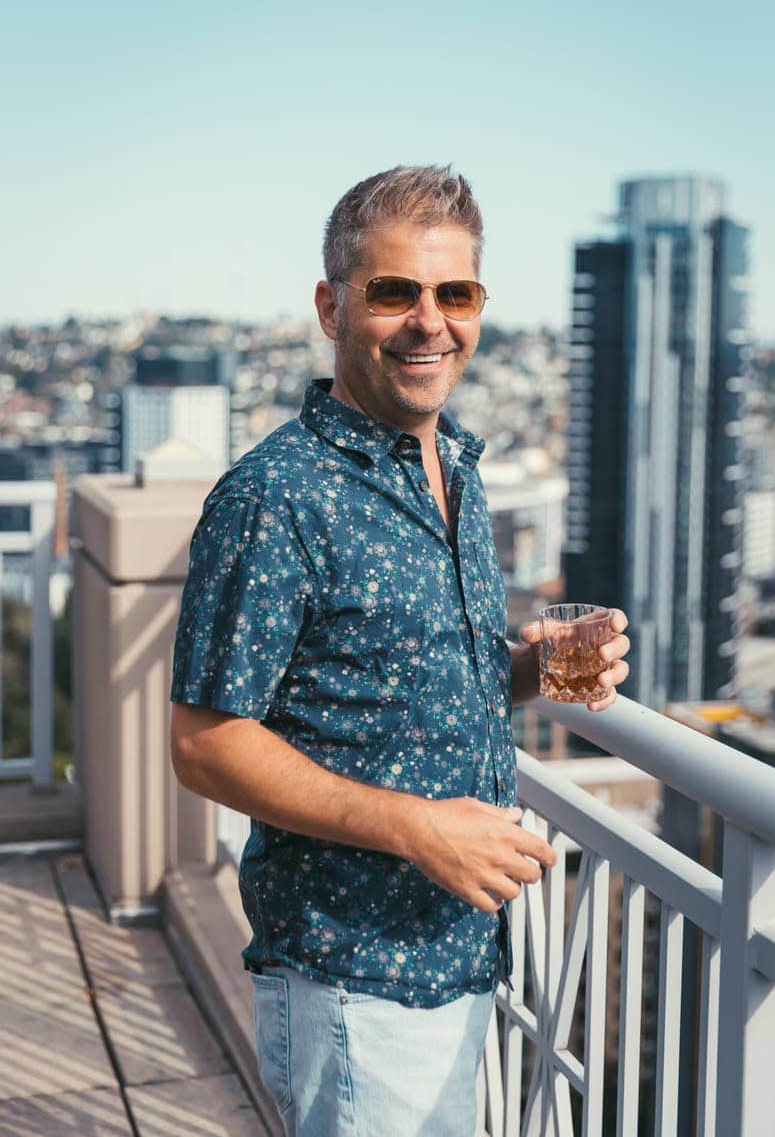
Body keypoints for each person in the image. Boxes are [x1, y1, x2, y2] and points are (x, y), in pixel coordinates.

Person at [169, 164, 631, 1136]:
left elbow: (397, 681)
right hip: (354, 979)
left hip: (456, 956)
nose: (430, 322)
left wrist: (528, 668)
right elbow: (205, 743)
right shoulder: (274, 498)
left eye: (455, 293)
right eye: (394, 292)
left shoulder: (452, 463)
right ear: (330, 307)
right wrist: (419, 830)